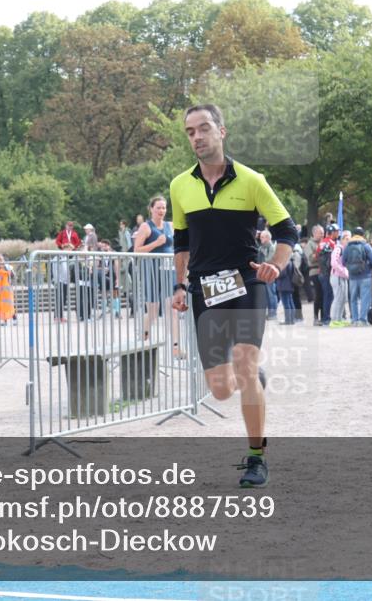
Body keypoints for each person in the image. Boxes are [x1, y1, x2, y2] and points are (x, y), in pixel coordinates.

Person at [169, 104, 296, 488]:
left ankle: (257, 458)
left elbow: (287, 231)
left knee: (242, 360)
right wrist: (179, 284)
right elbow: (181, 242)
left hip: (246, 281)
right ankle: (252, 376)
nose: (197, 137)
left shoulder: (251, 180)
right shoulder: (179, 186)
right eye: (190, 131)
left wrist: (275, 263)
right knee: (220, 389)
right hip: (205, 288)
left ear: (221, 132)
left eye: (204, 128)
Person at [134, 194, 183, 356]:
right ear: (151, 209)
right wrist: (156, 243)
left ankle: (176, 347)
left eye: (164, 207)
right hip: (152, 272)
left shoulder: (171, 225)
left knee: (172, 309)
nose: (162, 210)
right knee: (153, 311)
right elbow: (136, 250)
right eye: (158, 208)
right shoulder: (146, 227)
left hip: (169, 271)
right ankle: (144, 337)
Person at [343, 227, 372, 326]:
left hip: (352, 277)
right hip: (366, 276)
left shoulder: (348, 246)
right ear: (362, 235)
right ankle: (363, 320)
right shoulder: (366, 246)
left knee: (353, 299)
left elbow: (343, 261)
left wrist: (350, 267)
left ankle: (354, 320)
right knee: (365, 299)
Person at [329, 230, 351, 327]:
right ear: (341, 239)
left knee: (343, 298)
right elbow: (334, 263)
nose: (348, 240)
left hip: (343, 276)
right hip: (337, 276)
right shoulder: (338, 248)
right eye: (346, 239)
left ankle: (339, 318)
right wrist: (344, 271)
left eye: (349, 238)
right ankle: (334, 320)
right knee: (338, 298)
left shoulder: (345, 249)